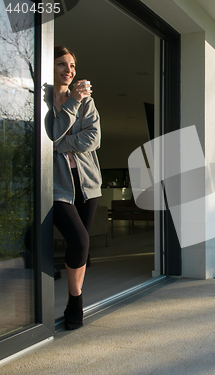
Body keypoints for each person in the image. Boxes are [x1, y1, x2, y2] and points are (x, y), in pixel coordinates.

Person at [50, 46, 101, 330]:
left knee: (80, 248)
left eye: (71, 65)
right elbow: (50, 132)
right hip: (58, 186)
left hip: (88, 184)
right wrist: (71, 105)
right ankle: (77, 298)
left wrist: (60, 145)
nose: (69, 70)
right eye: (61, 64)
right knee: (79, 241)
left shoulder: (87, 101)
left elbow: (93, 138)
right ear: (51, 67)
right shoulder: (45, 101)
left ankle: (73, 299)